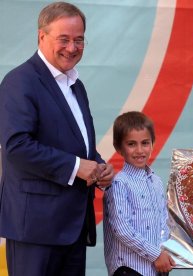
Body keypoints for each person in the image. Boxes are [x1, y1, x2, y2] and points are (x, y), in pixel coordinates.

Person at [0, 2, 114, 276]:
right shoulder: (20, 82)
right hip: (35, 230)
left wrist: (98, 166)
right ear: (41, 37)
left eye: (79, 40)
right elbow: (16, 146)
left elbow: (74, 142)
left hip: (72, 227)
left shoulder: (76, 85)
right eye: (64, 39)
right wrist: (78, 167)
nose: (72, 48)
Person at [103, 111, 175, 276]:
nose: (139, 150)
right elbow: (122, 229)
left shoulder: (156, 181)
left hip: (157, 268)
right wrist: (156, 254)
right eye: (131, 144)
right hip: (129, 268)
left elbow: (164, 221)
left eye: (145, 143)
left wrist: (166, 252)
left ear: (152, 143)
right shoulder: (119, 183)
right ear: (118, 147)